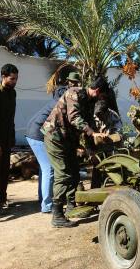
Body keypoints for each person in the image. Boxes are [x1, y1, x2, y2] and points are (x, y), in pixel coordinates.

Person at [41, 76, 109, 227]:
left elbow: (89, 123)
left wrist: (93, 147)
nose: (101, 99)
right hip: (54, 137)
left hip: (68, 140)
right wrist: (92, 133)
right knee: (63, 173)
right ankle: (57, 214)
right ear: (97, 91)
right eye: (102, 95)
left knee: (74, 172)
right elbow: (74, 118)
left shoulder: (90, 102)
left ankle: (71, 206)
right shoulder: (74, 93)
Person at [25, 85, 67, 213]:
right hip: (36, 136)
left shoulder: (55, 102)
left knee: (45, 169)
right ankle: (47, 206)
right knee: (49, 169)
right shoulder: (59, 105)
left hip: (34, 133)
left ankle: (42, 198)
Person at [0, 64, 18, 214]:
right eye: (12, 79)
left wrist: (12, 138)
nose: (14, 81)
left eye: (16, 79)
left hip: (7, 140)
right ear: (3, 77)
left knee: (5, 171)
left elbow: (11, 118)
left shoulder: (13, 94)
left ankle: (2, 200)